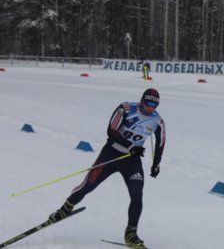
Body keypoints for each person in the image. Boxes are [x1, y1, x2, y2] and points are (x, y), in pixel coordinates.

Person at [48, 88, 166, 249]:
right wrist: (131, 146)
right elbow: (111, 131)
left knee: (137, 194)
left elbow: (160, 143)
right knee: (88, 185)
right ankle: (65, 208)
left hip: (132, 161)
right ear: (142, 101)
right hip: (111, 154)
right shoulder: (125, 109)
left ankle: (131, 234)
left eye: (155, 105)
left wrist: (156, 163)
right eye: (148, 103)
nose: (151, 108)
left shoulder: (157, 120)